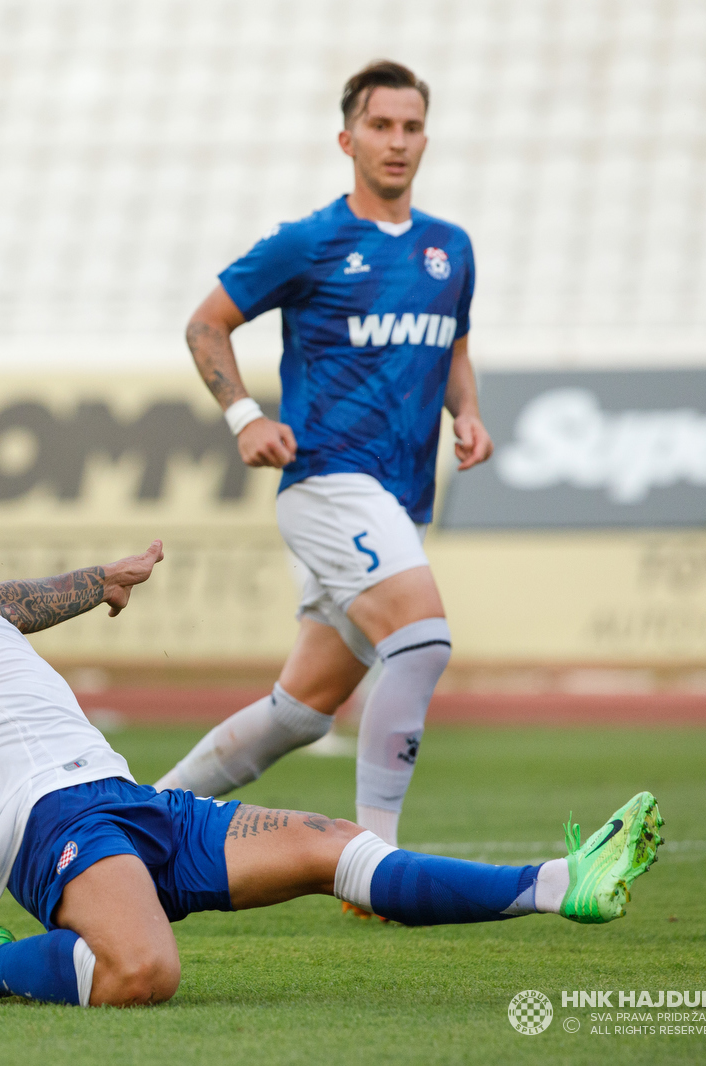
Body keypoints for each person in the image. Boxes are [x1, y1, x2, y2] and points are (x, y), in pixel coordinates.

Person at [0, 431, 663, 1007]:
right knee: (143, 972)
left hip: (126, 798)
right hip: (46, 823)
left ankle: (561, 887)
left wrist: (102, 579)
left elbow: (5, 604)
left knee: (335, 848)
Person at [153, 61, 492, 862]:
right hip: (328, 483)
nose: (397, 142)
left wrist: (468, 412)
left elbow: (454, 345)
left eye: (411, 127)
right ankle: (378, 860)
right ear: (348, 139)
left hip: (399, 497)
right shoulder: (310, 242)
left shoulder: (451, 249)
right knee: (424, 642)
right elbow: (206, 324)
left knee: (302, 711)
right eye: (381, 126)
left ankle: (144, 813)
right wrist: (244, 416)